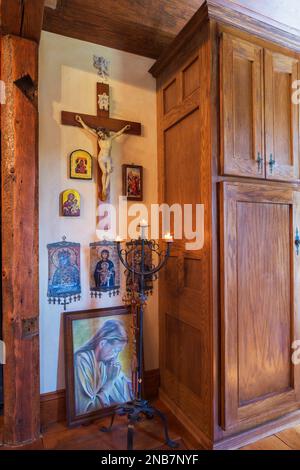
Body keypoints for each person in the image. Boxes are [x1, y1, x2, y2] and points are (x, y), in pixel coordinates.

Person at [74, 319, 133, 415]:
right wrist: (110, 381)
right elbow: (87, 410)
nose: (116, 356)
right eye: (115, 350)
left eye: (119, 352)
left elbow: (124, 384)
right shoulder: (82, 361)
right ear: (102, 343)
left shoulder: (106, 362)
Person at [75, 115, 130, 200]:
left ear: (104, 132)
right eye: (99, 134)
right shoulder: (99, 139)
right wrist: (81, 121)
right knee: (104, 172)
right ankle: (104, 189)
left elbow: (118, 133)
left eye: (101, 133)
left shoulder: (110, 138)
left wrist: (125, 128)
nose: (100, 135)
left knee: (109, 173)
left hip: (108, 158)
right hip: (101, 157)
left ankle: (105, 189)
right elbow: (88, 129)